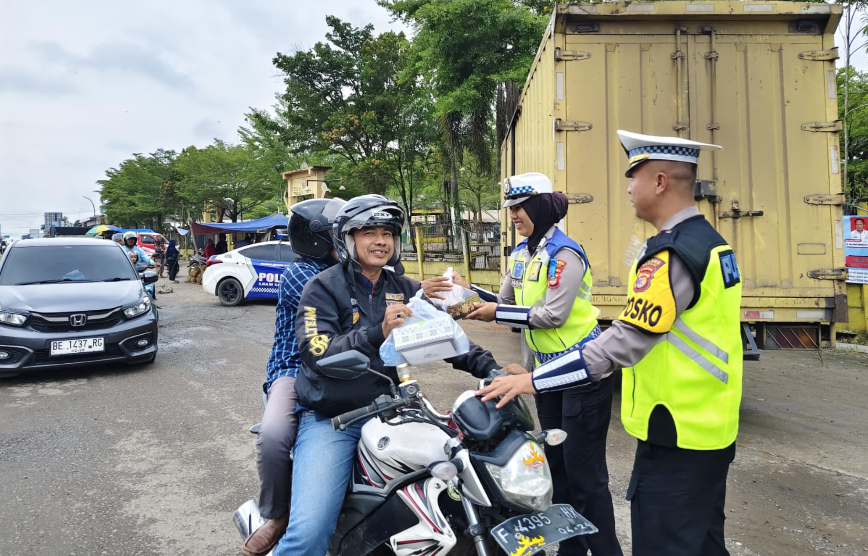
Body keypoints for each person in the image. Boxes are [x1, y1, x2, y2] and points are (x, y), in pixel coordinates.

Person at [479, 130, 743, 556]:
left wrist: (533, 380)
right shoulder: (712, 245)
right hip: (708, 427)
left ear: (659, 182)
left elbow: (621, 343)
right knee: (703, 542)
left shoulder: (671, 255)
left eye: (633, 176)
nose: (629, 188)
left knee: (664, 542)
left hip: (674, 430)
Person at [273, 195, 522, 556]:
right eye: (369, 233)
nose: (380, 241)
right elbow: (317, 351)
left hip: (393, 412)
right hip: (334, 419)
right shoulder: (323, 287)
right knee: (309, 533)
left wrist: (493, 368)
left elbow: (448, 334)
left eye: (387, 233)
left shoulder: (405, 288)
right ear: (347, 240)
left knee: (463, 479)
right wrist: (379, 332)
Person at [429, 172, 621, 555]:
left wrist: (494, 312)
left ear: (541, 207)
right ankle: (570, 550)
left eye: (520, 207)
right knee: (556, 471)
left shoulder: (564, 254)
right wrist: (464, 292)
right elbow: (500, 302)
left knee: (586, 478)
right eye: (511, 208)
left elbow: (552, 315)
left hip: (582, 373)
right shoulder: (522, 253)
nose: (514, 215)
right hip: (546, 376)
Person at [242, 198, 348, 556]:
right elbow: (346, 307)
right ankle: (277, 515)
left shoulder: (348, 269)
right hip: (294, 369)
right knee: (273, 436)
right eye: (339, 234)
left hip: (344, 368)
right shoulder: (302, 274)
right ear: (318, 239)